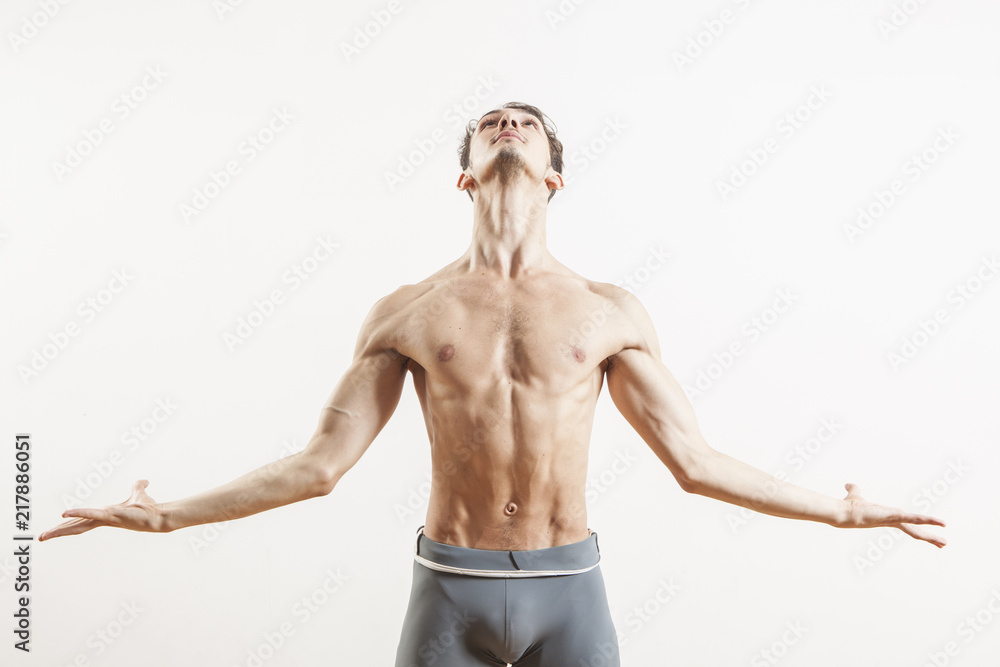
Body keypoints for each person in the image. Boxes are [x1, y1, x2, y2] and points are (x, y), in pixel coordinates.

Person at [40, 102, 946, 667]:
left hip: (571, 586)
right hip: (449, 583)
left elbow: (695, 462)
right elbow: (318, 466)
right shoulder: (407, 312)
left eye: (528, 120)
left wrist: (841, 510)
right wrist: (165, 516)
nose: (508, 121)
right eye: (490, 121)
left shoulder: (608, 310)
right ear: (465, 171)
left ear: (554, 172)